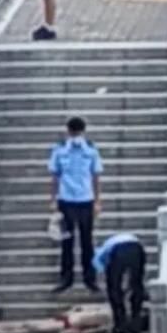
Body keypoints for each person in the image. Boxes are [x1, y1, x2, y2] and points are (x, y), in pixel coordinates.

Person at [48, 115, 102, 293]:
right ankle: (66, 277)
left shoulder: (91, 150)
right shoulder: (60, 150)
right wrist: (54, 200)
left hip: (85, 200)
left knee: (87, 242)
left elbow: (95, 176)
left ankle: (90, 278)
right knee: (67, 242)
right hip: (66, 200)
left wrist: (97, 201)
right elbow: (55, 176)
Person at [93, 233, 147, 333]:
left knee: (114, 289)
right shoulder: (109, 244)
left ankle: (120, 325)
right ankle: (136, 323)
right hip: (137, 247)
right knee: (137, 285)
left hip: (119, 250)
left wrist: (110, 284)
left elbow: (101, 270)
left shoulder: (99, 255)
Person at [0, 305, 113, 333]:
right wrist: (71, 310)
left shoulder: (109, 322)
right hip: (67, 318)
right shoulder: (109, 308)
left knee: (30, 328)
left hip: (68, 325)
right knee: (27, 323)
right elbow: (86, 308)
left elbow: (94, 330)